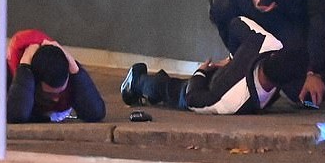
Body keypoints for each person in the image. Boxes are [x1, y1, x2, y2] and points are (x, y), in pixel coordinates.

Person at [120, 16, 307, 114]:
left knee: (173, 89)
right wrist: (230, 59)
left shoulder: (267, 44)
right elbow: (236, 23)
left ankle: (139, 84)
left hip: (211, 85)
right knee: (175, 89)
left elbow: (193, 99)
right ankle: (137, 83)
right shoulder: (234, 100)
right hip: (215, 82)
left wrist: (202, 72)